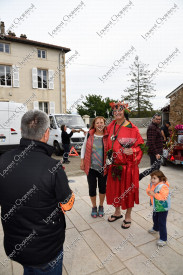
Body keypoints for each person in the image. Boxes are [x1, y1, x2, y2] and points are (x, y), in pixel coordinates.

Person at [0, 110, 75, 275]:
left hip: (15, 244)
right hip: (46, 250)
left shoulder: (3, 160)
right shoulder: (53, 167)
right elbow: (67, 205)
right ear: (46, 133)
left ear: (22, 131)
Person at [106, 101, 144, 229]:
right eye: (115, 111)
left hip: (128, 167)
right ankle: (117, 213)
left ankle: (128, 216)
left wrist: (133, 150)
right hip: (114, 165)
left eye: (120, 110)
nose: (117, 113)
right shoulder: (111, 126)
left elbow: (140, 146)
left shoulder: (132, 128)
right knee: (115, 190)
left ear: (125, 112)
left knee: (128, 192)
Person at [80, 117, 108, 217]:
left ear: (104, 124)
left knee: (102, 188)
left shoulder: (107, 135)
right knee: (92, 188)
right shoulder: (89, 134)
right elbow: (83, 148)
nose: (100, 124)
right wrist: (82, 161)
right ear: (94, 124)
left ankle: (101, 206)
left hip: (103, 167)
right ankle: (94, 206)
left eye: (101, 122)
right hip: (90, 166)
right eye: (97, 123)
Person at [146, 170, 170, 247]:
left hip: (162, 208)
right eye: (151, 178)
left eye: (154, 178)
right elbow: (148, 190)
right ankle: (156, 228)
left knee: (162, 222)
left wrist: (154, 194)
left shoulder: (163, 186)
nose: (152, 180)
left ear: (160, 179)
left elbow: (163, 197)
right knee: (155, 218)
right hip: (156, 207)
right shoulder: (152, 184)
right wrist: (149, 192)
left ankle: (163, 239)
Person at [139, 114, 163, 180]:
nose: (158, 120)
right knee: (154, 169)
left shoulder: (156, 127)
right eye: (157, 119)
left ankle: (155, 182)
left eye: (159, 119)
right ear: (153, 119)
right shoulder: (152, 127)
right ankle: (140, 176)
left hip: (157, 152)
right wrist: (156, 153)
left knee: (155, 169)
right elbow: (151, 142)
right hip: (155, 152)